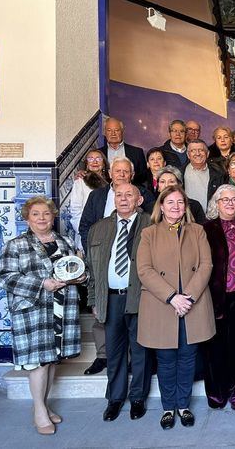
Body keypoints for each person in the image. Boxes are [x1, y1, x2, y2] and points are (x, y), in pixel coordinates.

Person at [0, 197, 88, 435]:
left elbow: (78, 269)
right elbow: (6, 277)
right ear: (27, 218)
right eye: (36, 214)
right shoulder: (16, 245)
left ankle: (45, 406)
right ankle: (39, 410)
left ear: (53, 216)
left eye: (46, 214)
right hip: (33, 309)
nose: (41, 218)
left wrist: (81, 277)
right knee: (38, 362)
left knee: (51, 360)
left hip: (61, 307)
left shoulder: (64, 241)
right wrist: (41, 285)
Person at [136, 185, 215, 429]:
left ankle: (183, 406)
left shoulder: (198, 231)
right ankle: (168, 408)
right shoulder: (149, 233)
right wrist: (172, 297)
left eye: (180, 202)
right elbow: (144, 270)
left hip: (192, 304)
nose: (176, 207)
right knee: (166, 359)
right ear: (161, 206)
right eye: (170, 202)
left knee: (188, 357)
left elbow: (206, 266)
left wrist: (187, 297)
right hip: (163, 305)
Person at [79, 156, 155, 376]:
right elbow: (85, 226)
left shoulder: (144, 202)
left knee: (136, 332)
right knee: (104, 324)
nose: (121, 175)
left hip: (133, 275)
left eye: (125, 172)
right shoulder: (97, 195)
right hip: (104, 261)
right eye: (117, 171)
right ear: (109, 173)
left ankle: (135, 371)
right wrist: (96, 251)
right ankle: (103, 357)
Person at [85, 183, 153, 422]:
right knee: (114, 352)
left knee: (140, 351)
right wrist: (94, 300)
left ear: (139, 200)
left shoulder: (150, 226)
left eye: (129, 195)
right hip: (110, 298)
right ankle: (115, 399)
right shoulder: (98, 229)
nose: (123, 199)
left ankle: (137, 398)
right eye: (119, 195)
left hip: (141, 298)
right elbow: (92, 270)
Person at [201, 185, 235, 410]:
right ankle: (217, 394)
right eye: (225, 200)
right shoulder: (206, 229)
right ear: (216, 203)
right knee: (216, 349)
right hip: (216, 297)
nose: (231, 203)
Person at [69, 149, 109, 251]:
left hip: (108, 232)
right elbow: (75, 209)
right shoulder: (81, 181)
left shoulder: (111, 181)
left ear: (104, 163)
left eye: (98, 159)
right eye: (90, 159)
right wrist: (84, 231)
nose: (94, 162)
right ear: (86, 164)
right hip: (88, 232)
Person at [180, 139, 225, 218]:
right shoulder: (179, 174)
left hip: (210, 220)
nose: (197, 154)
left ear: (207, 154)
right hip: (185, 219)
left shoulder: (218, 174)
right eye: (193, 151)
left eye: (201, 150)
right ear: (188, 154)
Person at [98, 116, 148, 185]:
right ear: (105, 132)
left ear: (122, 131)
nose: (113, 134)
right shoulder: (98, 153)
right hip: (105, 193)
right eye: (109, 130)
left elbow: (144, 178)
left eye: (117, 130)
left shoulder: (137, 152)